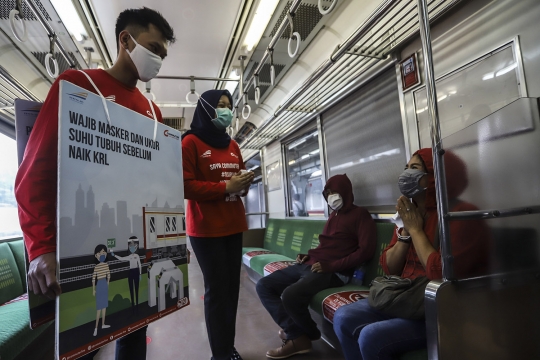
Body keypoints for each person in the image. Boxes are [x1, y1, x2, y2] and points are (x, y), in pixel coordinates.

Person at [15, 7, 175, 360]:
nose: (158, 59)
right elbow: (34, 174)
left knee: (134, 332)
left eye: (163, 54)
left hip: (137, 247)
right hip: (77, 248)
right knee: (82, 343)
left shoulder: (153, 113)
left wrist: (169, 242)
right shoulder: (76, 85)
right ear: (125, 40)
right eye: (153, 47)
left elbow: (156, 188)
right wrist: (40, 247)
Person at [333, 148, 489, 360]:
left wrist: (416, 230)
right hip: (406, 297)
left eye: (414, 168)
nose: (405, 174)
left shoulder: (460, 214)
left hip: (440, 308)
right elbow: (390, 267)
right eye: (406, 168)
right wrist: (406, 231)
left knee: (371, 337)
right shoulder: (410, 211)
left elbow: (439, 273)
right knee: (343, 317)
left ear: (434, 176)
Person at [256, 174, 377, 359]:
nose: (331, 197)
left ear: (345, 191)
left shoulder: (360, 215)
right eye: (327, 193)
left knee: (290, 295)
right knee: (264, 285)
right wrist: (309, 255)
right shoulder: (333, 216)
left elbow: (365, 251)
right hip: (313, 264)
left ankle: (300, 336)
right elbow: (326, 247)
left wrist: (331, 266)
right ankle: (296, 332)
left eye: (334, 192)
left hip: (335, 271)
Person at [182, 89, 254, 360]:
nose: (226, 110)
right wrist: (225, 186)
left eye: (228, 105)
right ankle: (219, 354)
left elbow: (238, 179)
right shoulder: (190, 142)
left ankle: (228, 347)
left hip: (233, 224)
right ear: (207, 109)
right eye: (220, 105)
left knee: (232, 291)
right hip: (206, 229)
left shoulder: (233, 145)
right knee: (217, 291)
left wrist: (242, 185)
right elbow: (186, 185)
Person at [111, 236, 142, 313]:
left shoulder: (137, 256)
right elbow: (121, 259)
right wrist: (114, 255)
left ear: (136, 247)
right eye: (130, 247)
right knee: (131, 289)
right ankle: (133, 308)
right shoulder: (129, 256)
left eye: (133, 247)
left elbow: (140, 265)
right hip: (131, 273)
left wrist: (140, 274)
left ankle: (137, 307)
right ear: (129, 247)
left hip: (136, 272)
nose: (132, 248)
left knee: (136, 289)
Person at [92, 244, 111, 336]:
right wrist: (93, 289)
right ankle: (96, 327)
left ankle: (103, 324)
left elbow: (109, 275)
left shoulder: (106, 266)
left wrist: (107, 283)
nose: (102, 255)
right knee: (99, 307)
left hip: (104, 284)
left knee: (104, 306)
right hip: (99, 284)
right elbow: (93, 278)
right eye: (100, 253)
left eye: (104, 252)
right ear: (96, 255)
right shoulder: (96, 267)